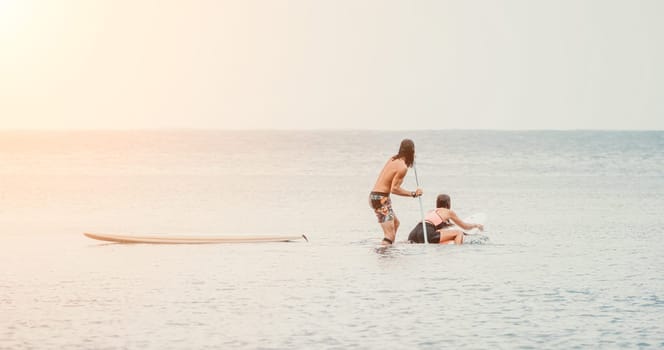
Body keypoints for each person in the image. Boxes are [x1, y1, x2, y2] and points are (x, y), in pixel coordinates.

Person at [369, 139, 423, 245]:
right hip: (380, 199)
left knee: (396, 224)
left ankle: (390, 251)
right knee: (389, 235)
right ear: (411, 152)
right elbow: (394, 189)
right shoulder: (402, 167)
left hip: (375, 196)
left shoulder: (393, 159)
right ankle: (383, 256)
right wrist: (413, 194)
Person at [407, 194, 483, 244]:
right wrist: (476, 225)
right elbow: (465, 226)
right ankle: (458, 251)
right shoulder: (448, 212)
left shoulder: (431, 211)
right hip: (427, 233)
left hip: (414, 233)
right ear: (448, 204)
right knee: (458, 233)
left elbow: (436, 225)